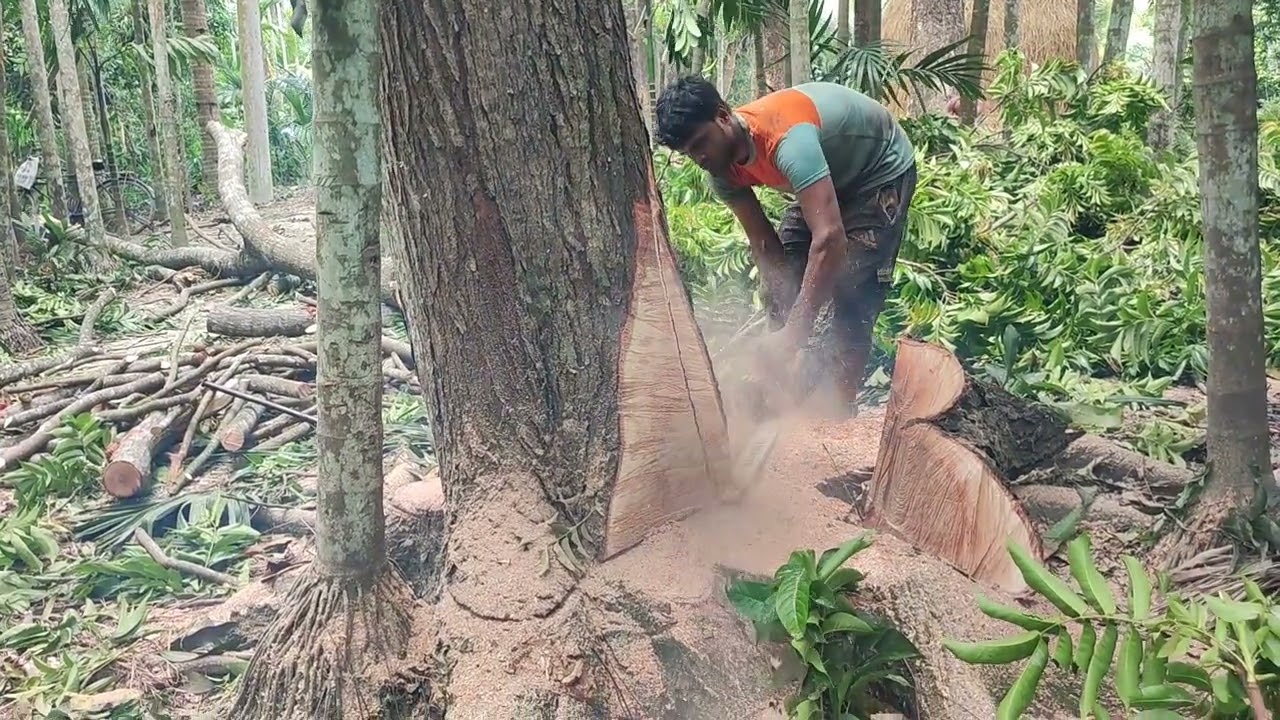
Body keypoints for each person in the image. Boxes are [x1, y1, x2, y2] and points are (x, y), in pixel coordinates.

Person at [654, 76, 918, 418]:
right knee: (784, 282)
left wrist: (794, 333)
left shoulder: (787, 141)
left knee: (851, 290)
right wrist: (778, 325)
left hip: (877, 171)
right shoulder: (721, 172)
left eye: (702, 142)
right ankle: (783, 396)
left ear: (722, 116)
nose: (700, 157)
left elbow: (829, 239)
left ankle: (835, 412)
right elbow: (765, 246)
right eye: (689, 153)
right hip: (825, 177)